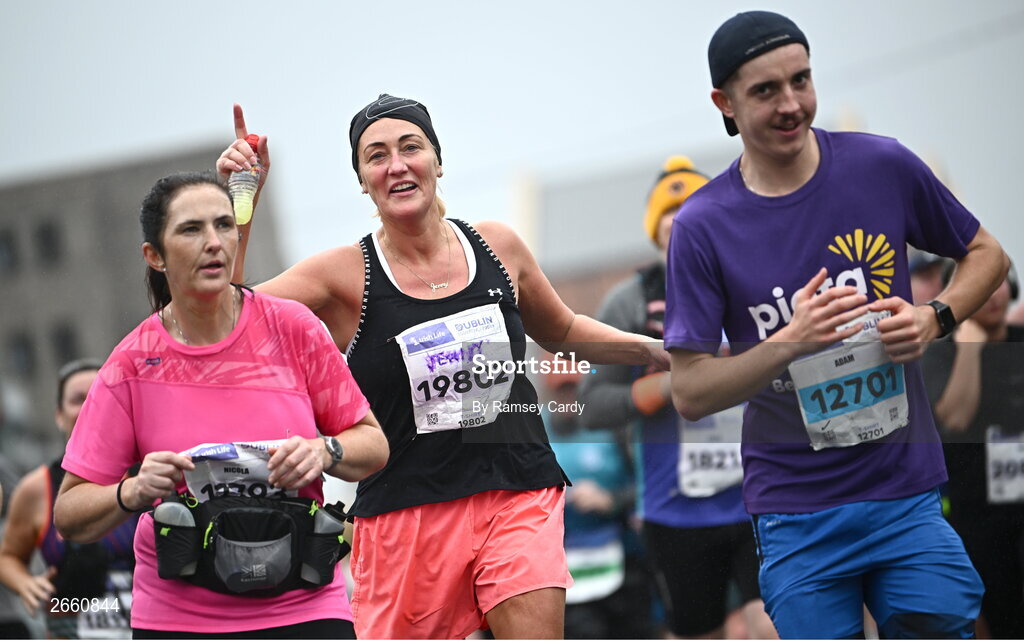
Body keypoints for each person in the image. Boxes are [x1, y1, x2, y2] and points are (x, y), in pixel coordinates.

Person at [216, 95, 668, 639]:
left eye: (411, 147)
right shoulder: (340, 274)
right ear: (362, 179)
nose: (397, 164)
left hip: (516, 489)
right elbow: (232, 319)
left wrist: (652, 350)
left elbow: (564, 329)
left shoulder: (497, 246)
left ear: (437, 158)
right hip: (407, 513)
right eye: (376, 155)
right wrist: (242, 202)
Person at [664, 10, 1008, 639]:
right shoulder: (701, 226)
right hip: (797, 511)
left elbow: (988, 255)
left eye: (802, 80)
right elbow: (689, 392)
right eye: (766, 91)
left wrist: (935, 319)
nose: (792, 104)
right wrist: (790, 341)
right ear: (725, 103)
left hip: (904, 493)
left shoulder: (882, 167)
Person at [51, 172, 389, 639]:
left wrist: (323, 450)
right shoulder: (130, 363)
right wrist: (131, 490)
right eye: (191, 229)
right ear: (155, 256)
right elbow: (68, 515)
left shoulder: (294, 328)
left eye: (224, 225)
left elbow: (373, 444)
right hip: (180, 618)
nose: (213, 242)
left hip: (304, 606)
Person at [579, 155, 776, 640]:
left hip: (762, 493)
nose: (684, 220)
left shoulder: (755, 283)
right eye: (671, 213)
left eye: (695, 207)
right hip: (674, 509)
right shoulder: (629, 302)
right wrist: (672, 383)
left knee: (770, 625)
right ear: (656, 230)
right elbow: (592, 404)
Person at [0, 359, 137, 639]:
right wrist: (27, 584)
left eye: (99, 395)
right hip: (71, 629)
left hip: (147, 626)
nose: (90, 405)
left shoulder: (147, 474)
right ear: (59, 415)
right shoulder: (38, 488)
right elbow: (9, 557)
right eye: (78, 399)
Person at [924, 264, 1024, 639]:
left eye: (1001, 284)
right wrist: (970, 348)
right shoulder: (940, 356)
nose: (994, 294)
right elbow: (955, 419)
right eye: (985, 284)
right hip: (976, 515)